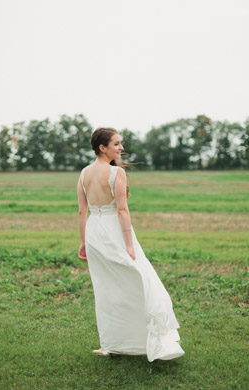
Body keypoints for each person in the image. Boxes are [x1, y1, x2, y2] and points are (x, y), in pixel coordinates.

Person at [77, 128, 184, 361]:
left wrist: (84, 241)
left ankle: (111, 344)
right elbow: (122, 210)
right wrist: (129, 244)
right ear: (102, 147)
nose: (121, 148)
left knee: (106, 289)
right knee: (139, 279)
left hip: (95, 232)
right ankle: (129, 340)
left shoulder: (83, 173)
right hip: (114, 231)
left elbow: (82, 211)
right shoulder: (116, 173)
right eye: (116, 144)